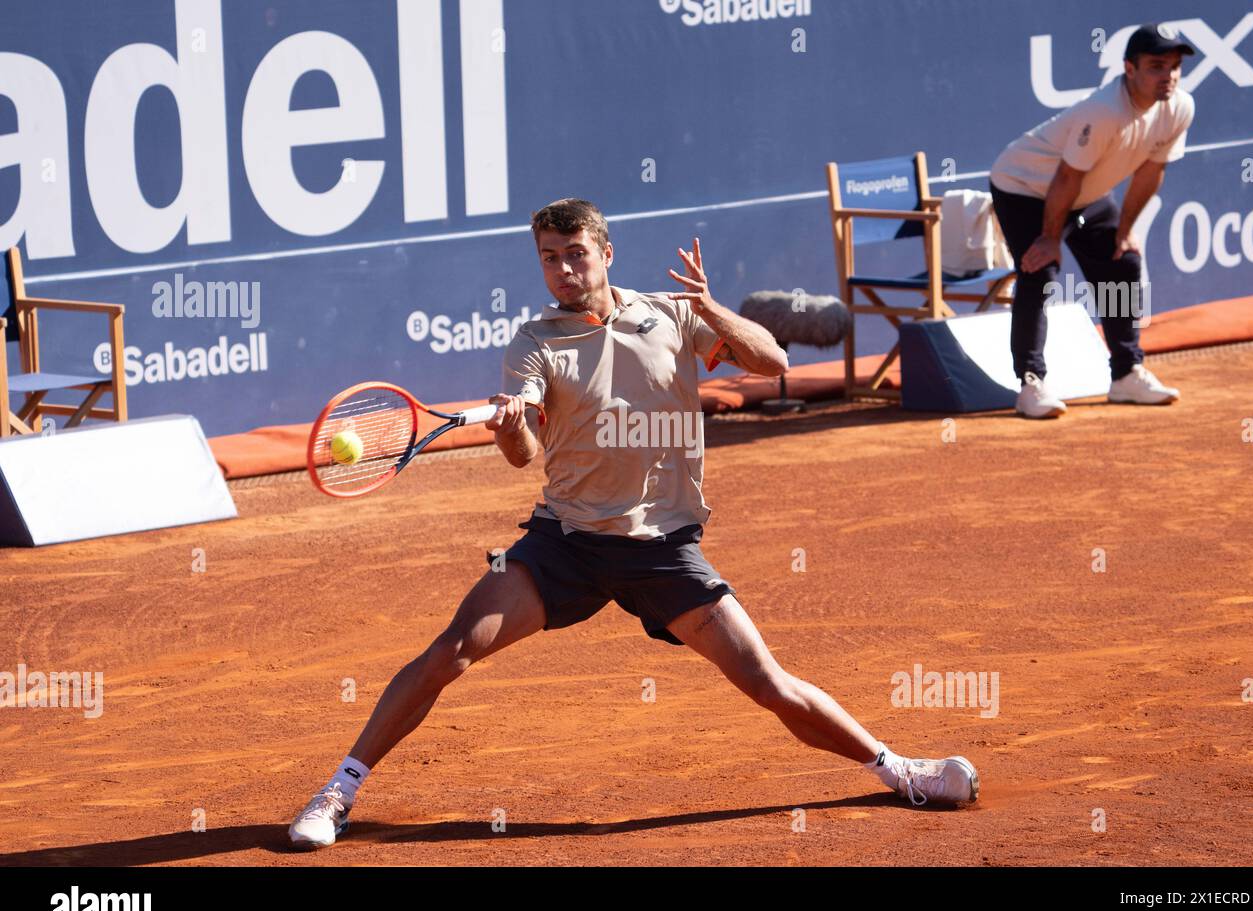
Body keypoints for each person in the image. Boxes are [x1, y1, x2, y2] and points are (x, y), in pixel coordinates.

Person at [287, 198, 979, 849]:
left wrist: (710, 308)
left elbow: (774, 361)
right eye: (549, 258)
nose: (563, 270)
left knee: (767, 683)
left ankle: (901, 772)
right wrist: (510, 423)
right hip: (564, 543)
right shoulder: (534, 340)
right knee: (450, 651)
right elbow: (523, 456)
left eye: (575, 254)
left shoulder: (672, 316)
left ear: (607, 253)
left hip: (661, 549)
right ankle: (337, 793)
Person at [989, 23, 1196, 419]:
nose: (1167, 76)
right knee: (1041, 270)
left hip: (1083, 194)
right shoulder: (1104, 112)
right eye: (1156, 66)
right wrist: (1050, 238)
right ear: (1129, 69)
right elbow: (1065, 178)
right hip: (1025, 188)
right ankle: (1031, 383)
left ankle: (1125, 374)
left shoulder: (1179, 108)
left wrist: (1123, 231)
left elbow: (1151, 172)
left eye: (1173, 67)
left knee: (1122, 262)